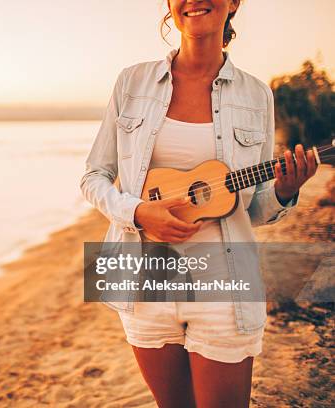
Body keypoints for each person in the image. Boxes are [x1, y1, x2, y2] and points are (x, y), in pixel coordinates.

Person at [80, 1, 317, 407]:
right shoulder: (131, 83)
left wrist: (284, 191)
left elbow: (252, 209)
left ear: (234, 2)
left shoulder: (256, 94)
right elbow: (93, 177)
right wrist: (136, 211)